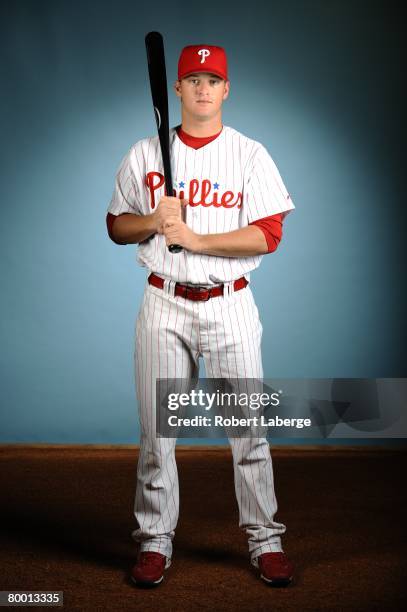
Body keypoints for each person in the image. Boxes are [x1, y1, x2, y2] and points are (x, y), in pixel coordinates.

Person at [106, 44, 295, 587]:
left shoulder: (250, 154)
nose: (203, 88)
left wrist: (196, 236)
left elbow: (269, 234)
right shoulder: (146, 153)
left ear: (226, 89)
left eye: (213, 79)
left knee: (249, 429)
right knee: (156, 434)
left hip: (230, 302)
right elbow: (116, 225)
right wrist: (152, 221)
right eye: (193, 78)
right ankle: (154, 541)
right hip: (163, 301)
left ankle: (265, 539)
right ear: (178, 89)